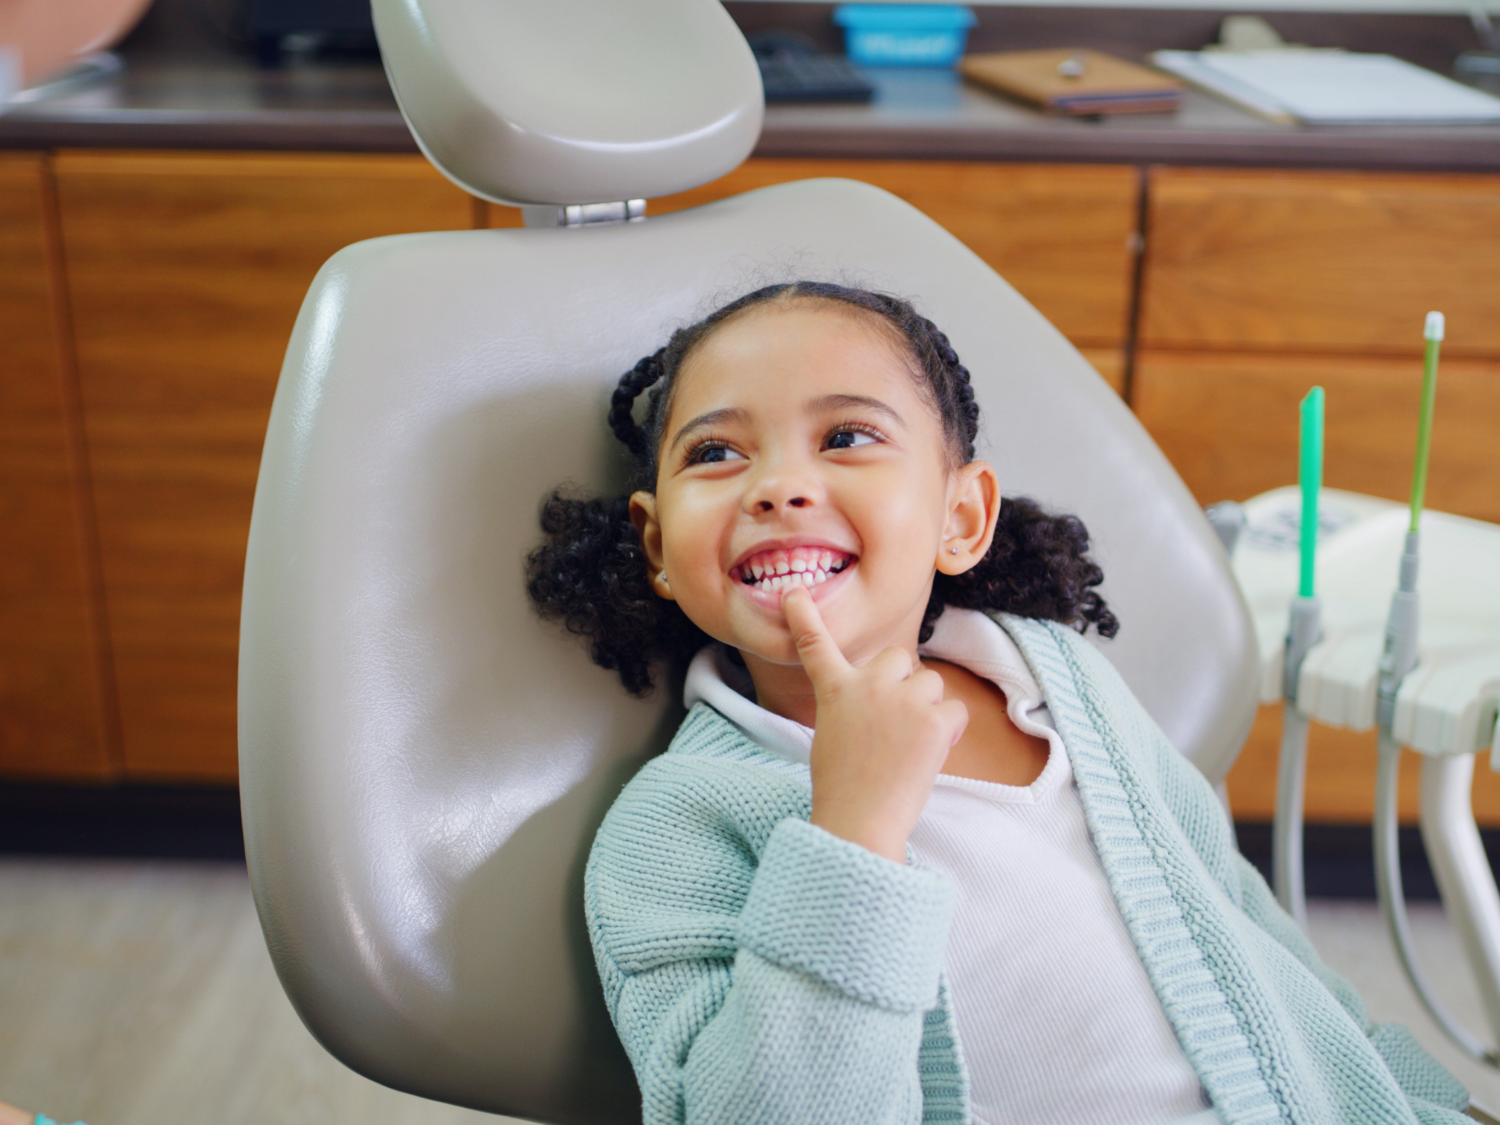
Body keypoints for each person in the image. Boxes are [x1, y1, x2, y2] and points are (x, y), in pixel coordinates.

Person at [526, 281, 1472, 1125]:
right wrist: (854, 832)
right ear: (659, 546)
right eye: (716, 452)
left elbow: (1239, 922)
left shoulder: (1057, 678)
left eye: (846, 437)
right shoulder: (671, 831)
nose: (778, 487)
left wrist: (1410, 1095)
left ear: (962, 516)